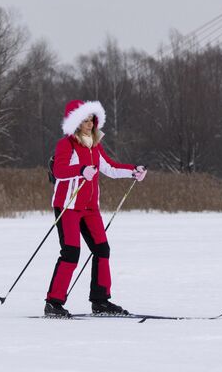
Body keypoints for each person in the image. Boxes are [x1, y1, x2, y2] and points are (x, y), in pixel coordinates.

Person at [45, 99, 147, 318]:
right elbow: (60, 170)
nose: (89, 124)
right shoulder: (66, 144)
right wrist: (81, 170)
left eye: (92, 119)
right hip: (68, 206)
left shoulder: (95, 145)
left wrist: (133, 171)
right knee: (71, 253)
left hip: (90, 209)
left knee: (102, 250)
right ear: (75, 121)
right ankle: (53, 303)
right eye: (84, 120)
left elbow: (110, 168)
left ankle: (100, 302)